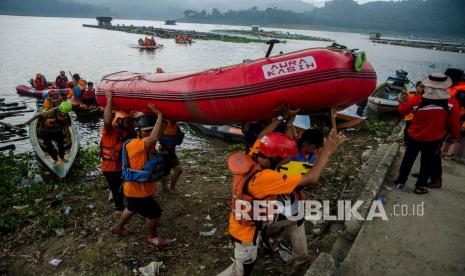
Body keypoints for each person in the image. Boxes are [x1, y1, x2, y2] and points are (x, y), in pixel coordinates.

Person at [219, 126, 345, 276]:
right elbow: (312, 178)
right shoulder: (265, 178)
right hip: (246, 230)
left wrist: (285, 117)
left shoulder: (255, 154)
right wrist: (327, 151)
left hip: (256, 213)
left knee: (296, 218)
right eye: (284, 160)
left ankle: (301, 258)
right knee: (241, 271)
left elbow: (262, 136)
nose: (286, 163)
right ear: (276, 158)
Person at [112, 104, 170, 247]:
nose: (149, 134)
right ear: (138, 132)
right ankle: (152, 236)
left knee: (131, 208)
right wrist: (160, 115)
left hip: (133, 189)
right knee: (155, 213)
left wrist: (164, 119)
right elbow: (155, 136)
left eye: (150, 130)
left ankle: (118, 228)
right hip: (138, 192)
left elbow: (159, 133)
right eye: (146, 131)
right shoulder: (136, 145)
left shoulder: (144, 143)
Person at [394, 73, 461, 193]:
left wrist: (400, 101)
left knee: (408, 158)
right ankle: (419, 187)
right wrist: (454, 137)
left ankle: (400, 182)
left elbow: (403, 111)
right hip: (435, 138)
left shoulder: (418, 98)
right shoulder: (451, 102)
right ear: (445, 86)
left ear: (428, 85)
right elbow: (455, 123)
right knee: (427, 162)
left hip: (415, 135)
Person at [101, 91, 135, 215]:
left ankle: (126, 200)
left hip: (124, 166)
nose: (130, 122)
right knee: (116, 189)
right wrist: (109, 100)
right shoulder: (109, 131)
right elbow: (107, 120)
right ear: (119, 121)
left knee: (124, 186)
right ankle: (119, 208)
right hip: (110, 167)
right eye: (127, 120)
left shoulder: (129, 132)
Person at [159, 120, 184, 194]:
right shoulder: (164, 124)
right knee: (166, 172)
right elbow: (157, 136)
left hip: (172, 152)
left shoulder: (175, 124)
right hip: (165, 152)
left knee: (179, 170)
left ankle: (171, 187)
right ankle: (165, 188)